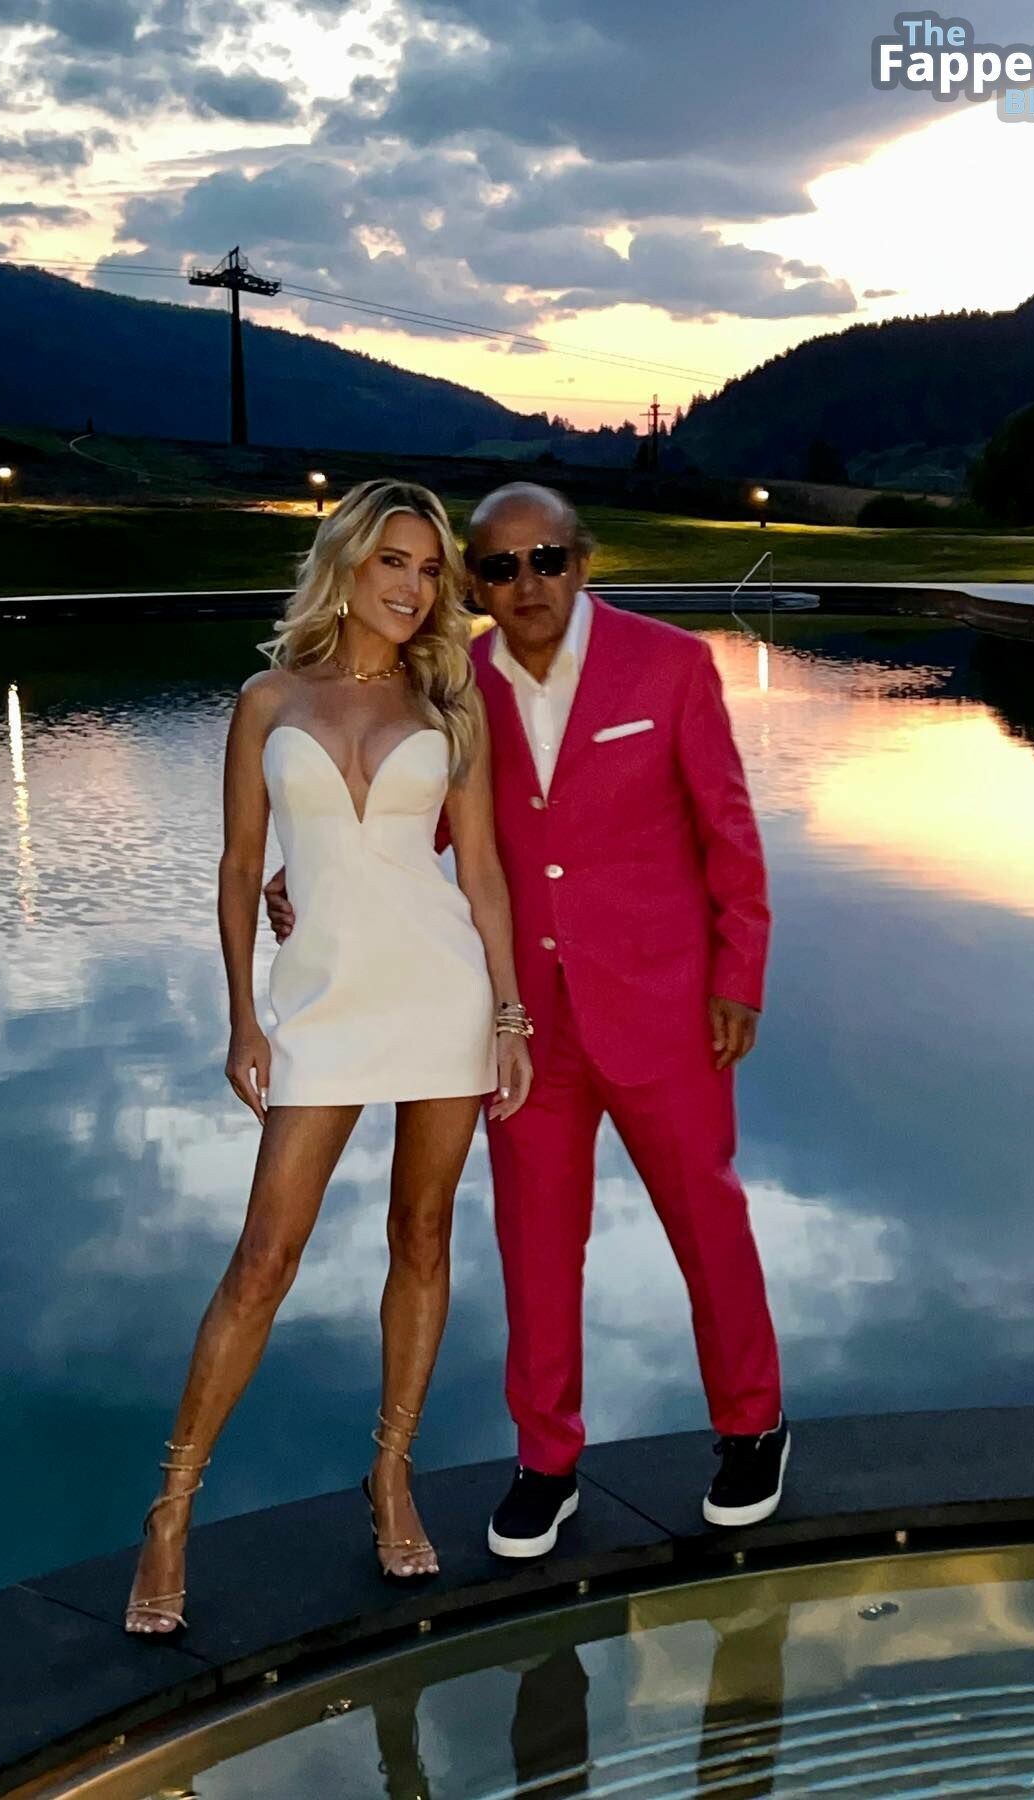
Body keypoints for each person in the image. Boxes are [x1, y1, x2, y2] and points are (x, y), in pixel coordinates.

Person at [268, 482, 786, 1557]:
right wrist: (308, 870)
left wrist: (739, 975)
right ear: (475, 583)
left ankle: (752, 1427)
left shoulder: (671, 666)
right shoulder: (456, 682)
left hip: (666, 1007)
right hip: (521, 1024)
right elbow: (426, 815)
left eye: (546, 559)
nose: (527, 583)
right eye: (499, 568)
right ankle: (546, 1462)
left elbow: (728, 831)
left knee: (708, 1224)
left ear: (581, 562)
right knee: (536, 1246)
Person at [124, 479, 533, 1636]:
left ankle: (391, 1473)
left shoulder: (450, 706)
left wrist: (509, 1015)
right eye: (393, 561)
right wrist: (243, 1018)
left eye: (430, 569)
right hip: (318, 1006)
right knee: (264, 1258)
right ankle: (170, 1512)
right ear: (347, 566)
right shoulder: (267, 700)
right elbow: (237, 865)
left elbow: (482, 872)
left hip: (442, 992)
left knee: (423, 1235)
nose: (413, 587)